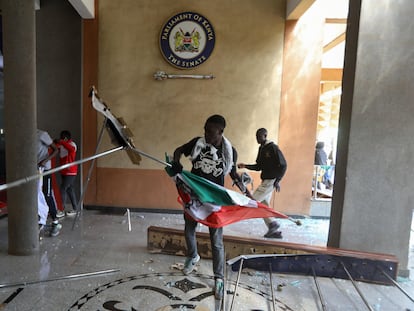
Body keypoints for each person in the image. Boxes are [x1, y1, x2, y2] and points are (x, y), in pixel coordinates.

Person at [171, 114, 239, 300]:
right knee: (189, 230)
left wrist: (242, 188)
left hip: (214, 202)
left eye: (210, 132)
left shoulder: (230, 150)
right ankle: (193, 256)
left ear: (221, 132)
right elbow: (178, 150)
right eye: (205, 130)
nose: (206, 134)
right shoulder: (197, 143)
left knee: (216, 241)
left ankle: (219, 277)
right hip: (194, 196)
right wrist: (176, 163)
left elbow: (232, 171)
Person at [237, 128, 287, 239]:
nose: (257, 139)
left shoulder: (273, 148)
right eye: (256, 137)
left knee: (252, 200)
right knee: (263, 206)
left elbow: (283, 165)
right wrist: (245, 166)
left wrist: (278, 180)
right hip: (265, 180)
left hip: (271, 181)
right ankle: (272, 225)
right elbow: (258, 166)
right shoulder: (262, 149)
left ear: (265, 135)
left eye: (259, 136)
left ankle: (234, 215)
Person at [37, 129, 61, 237]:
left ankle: (55, 222)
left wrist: (46, 160)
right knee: (35, 195)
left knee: (47, 194)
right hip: (34, 169)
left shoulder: (42, 134)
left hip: (45, 169)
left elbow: (56, 150)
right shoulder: (24, 136)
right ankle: (40, 220)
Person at [55, 130, 78, 217]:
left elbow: (71, 150)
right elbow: (56, 146)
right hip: (64, 171)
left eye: (62, 138)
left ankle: (61, 209)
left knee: (63, 188)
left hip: (70, 171)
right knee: (70, 189)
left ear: (65, 138)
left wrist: (61, 142)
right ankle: (75, 209)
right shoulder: (62, 145)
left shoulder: (72, 145)